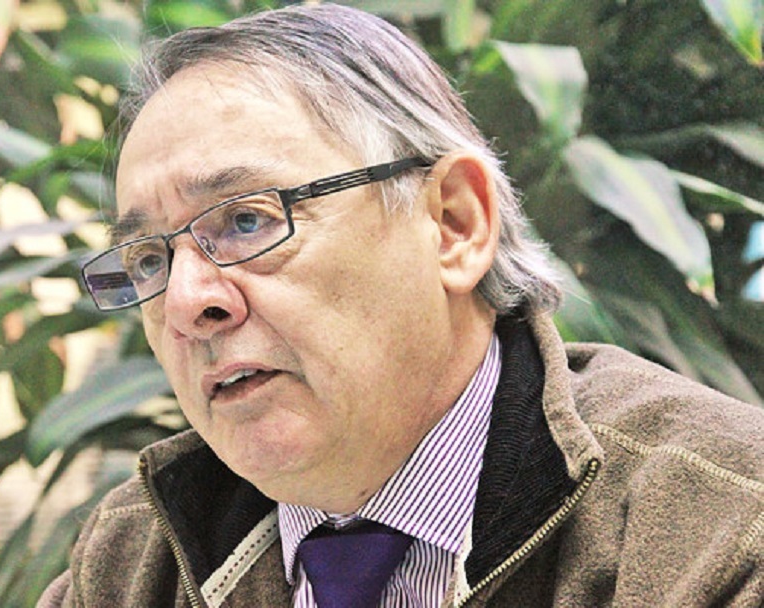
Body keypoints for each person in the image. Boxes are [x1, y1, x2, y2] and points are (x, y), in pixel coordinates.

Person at [38, 4, 763, 607]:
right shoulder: (131, 561)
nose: (186, 303)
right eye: (150, 260)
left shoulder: (719, 527)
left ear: (453, 224)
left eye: (248, 221)